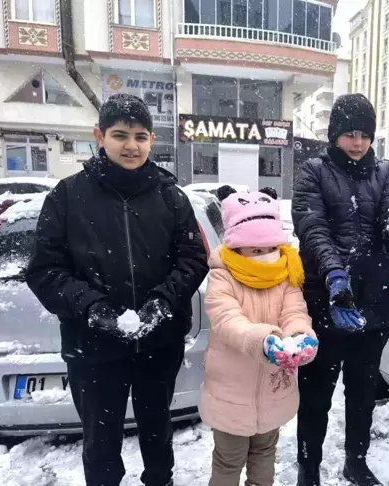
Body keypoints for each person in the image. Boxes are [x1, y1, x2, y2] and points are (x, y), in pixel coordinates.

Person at [26, 94, 209, 486]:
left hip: (158, 344)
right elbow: (45, 270)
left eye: (141, 136)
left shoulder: (171, 197)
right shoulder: (68, 196)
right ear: (99, 136)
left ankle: (160, 480)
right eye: (120, 135)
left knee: (158, 432)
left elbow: (193, 259)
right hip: (92, 348)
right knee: (100, 442)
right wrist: (93, 308)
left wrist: (162, 302)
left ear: (151, 140)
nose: (131, 145)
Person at [292, 93, 389, 486]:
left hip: (373, 305)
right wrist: (334, 276)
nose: (357, 143)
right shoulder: (313, 171)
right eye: (349, 134)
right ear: (334, 134)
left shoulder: (385, 173)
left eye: (364, 135)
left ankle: (356, 461)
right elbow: (313, 228)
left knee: (361, 395)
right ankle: (309, 467)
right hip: (326, 304)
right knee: (316, 396)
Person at [201, 187, 318, 486]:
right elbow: (227, 320)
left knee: (265, 453)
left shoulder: (287, 271)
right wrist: (263, 340)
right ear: (238, 248)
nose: (266, 256)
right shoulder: (222, 275)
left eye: (270, 247)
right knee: (228, 461)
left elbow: (294, 312)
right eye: (255, 250)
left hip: (272, 389)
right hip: (231, 393)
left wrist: (301, 336)